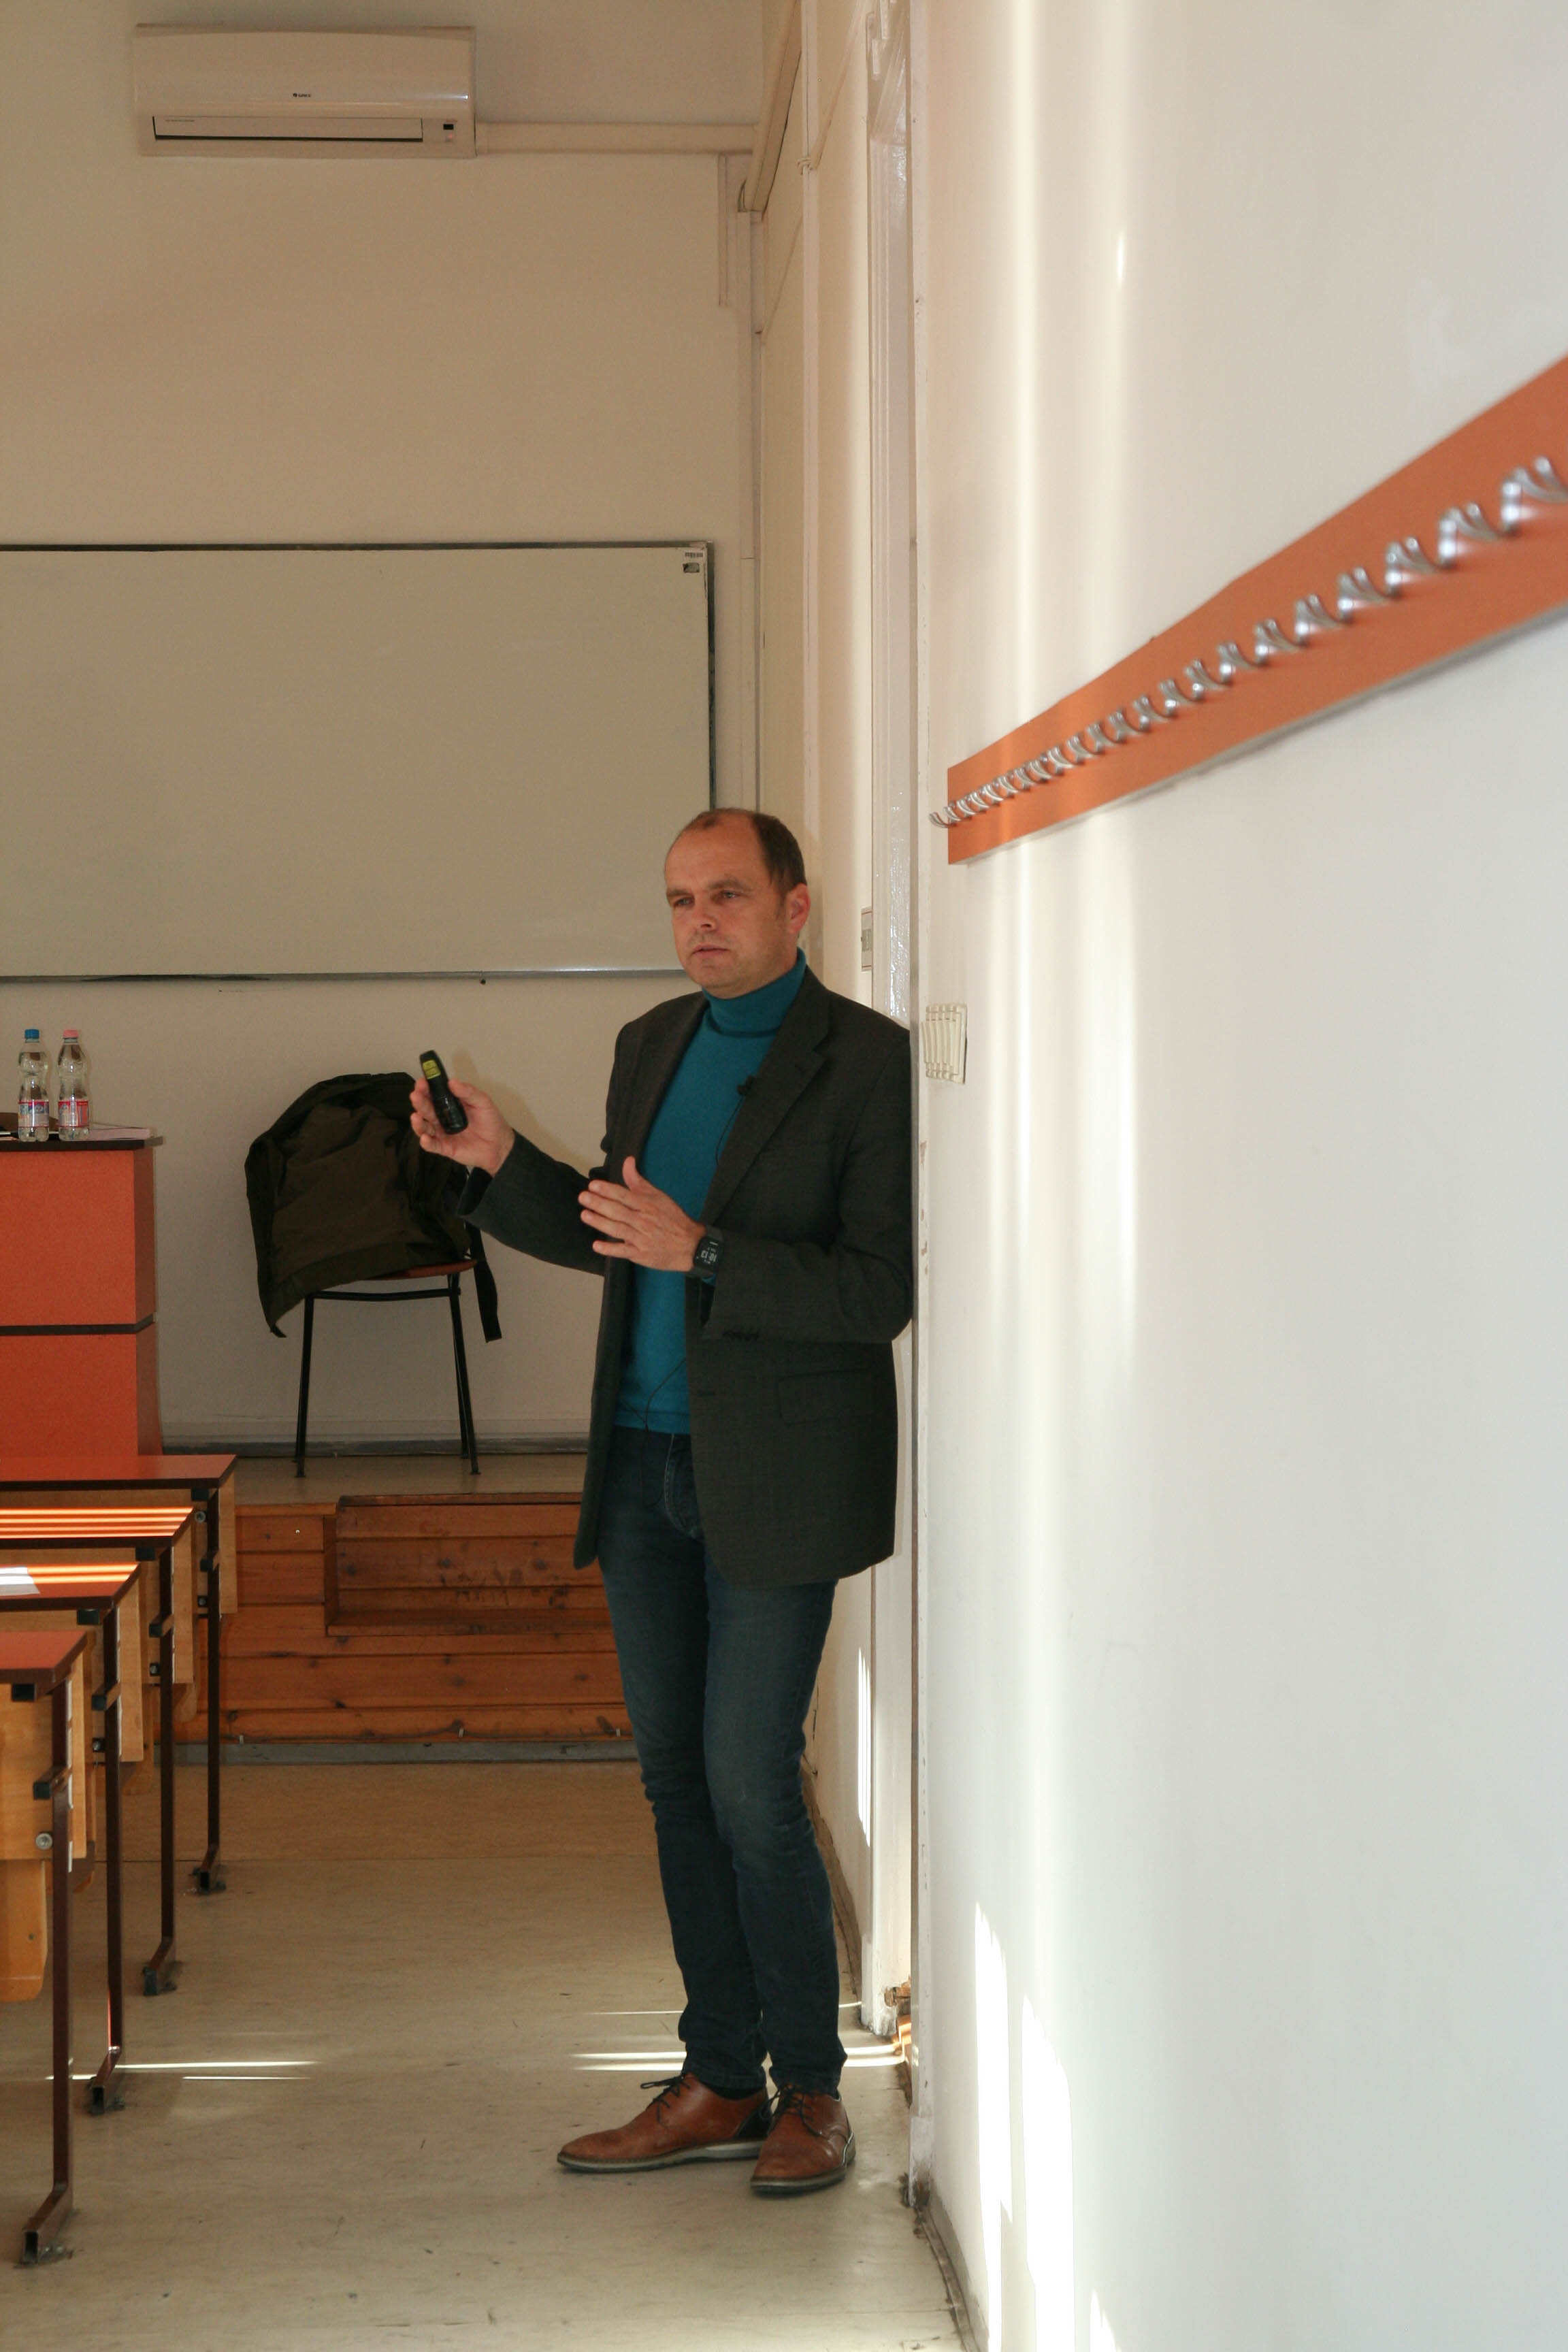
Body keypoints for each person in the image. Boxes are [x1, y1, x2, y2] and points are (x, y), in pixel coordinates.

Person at [410, 806, 913, 2196]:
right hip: (640, 1464)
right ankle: (719, 2076)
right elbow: (614, 1231)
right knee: (679, 1779)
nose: (701, 923)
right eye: (682, 900)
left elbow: (878, 1288)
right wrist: (499, 1165)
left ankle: (813, 2090)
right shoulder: (653, 1044)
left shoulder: (867, 1060)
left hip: (776, 1472)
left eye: (728, 896)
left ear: (797, 908)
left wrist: (710, 1255)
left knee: (751, 1780)